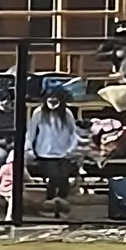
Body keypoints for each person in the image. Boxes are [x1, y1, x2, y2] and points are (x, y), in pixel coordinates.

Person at [26, 88, 81, 217]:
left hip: (64, 152)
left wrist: (71, 149)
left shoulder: (66, 113)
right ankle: (49, 205)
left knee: (64, 177)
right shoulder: (38, 113)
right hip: (44, 153)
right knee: (54, 176)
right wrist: (29, 150)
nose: (52, 102)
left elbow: (74, 133)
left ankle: (61, 206)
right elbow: (31, 133)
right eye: (49, 100)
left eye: (55, 100)